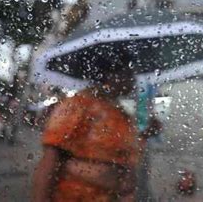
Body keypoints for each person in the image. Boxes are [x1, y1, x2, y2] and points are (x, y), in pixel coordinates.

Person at [33, 54, 141, 202]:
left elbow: (125, 158)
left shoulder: (123, 115)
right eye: (128, 74)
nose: (133, 80)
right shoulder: (77, 105)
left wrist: (146, 134)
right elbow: (50, 162)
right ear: (110, 75)